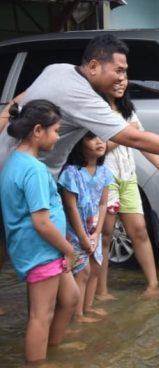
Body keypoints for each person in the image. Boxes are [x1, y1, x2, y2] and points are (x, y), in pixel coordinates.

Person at [0, 34, 159, 176]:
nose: (123, 78)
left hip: (11, 168)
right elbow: (134, 137)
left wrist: (2, 118)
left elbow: (21, 96)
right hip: (30, 179)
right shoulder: (80, 95)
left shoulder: (57, 68)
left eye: (125, 71)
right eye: (118, 70)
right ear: (93, 67)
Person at [0, 100, 80, 364]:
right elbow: (42, 222)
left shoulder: (17, 160)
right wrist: (69, 249)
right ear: (37, 130)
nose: (58, 137)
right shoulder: (32, 169)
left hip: (46, 249)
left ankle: (52, 347)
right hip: (40, 250)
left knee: (70, 298)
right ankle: (38, 361)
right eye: (55, 130)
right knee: (40, 315)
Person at [99, 79, 159, 300]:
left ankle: (153, 286)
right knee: (105, 236)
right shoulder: (95, 110)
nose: (120, 83)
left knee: (140, 231)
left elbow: (143, 143)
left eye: (124, 78)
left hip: (128, 178)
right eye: (115, 78)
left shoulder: (127, 110)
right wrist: (126, 134)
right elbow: (97, 149)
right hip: (106, 179)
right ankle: (101, 291)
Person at [58, 132, 112, 323]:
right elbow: (71, 207)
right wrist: (82, 236)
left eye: (101, 137)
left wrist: (97, 233)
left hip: (92, 229)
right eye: (91, 138)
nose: (100, 141)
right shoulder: (71, 173)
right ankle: (77, 315)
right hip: (74, 230)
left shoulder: (104, 171)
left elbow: (103, 204)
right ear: (78, 144)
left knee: (96, 268)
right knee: (82, 271)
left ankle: (88, 307)